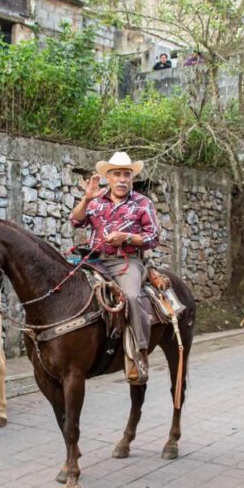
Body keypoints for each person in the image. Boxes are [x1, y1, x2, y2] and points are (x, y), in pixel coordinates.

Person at [70, 151, 161, 384]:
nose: (121, 179)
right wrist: (86, 199)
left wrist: (126, 237)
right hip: (94, 260)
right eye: (116, 174)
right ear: (108, 177)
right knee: (67, 285)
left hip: (126, 261)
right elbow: (76, 220)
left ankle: (138, 354)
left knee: (131, 296)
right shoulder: (96, 200)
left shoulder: (143, 203)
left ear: (132, 178)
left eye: (126, 175)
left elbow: (153, 237)